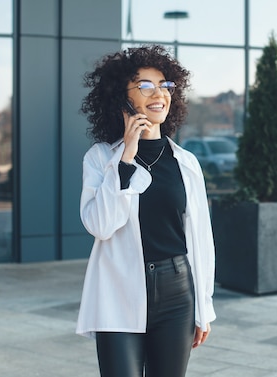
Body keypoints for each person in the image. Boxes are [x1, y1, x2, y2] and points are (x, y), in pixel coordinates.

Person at [75, 44, 216, 377]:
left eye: (165, 85)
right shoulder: (100, 159)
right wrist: (125, 159)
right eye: (145, 85)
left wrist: (204, 307)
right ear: (122, 99)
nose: (159, 94)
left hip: (177, 292)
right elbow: (100, 226)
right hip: (119, 289)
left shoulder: (186, 163)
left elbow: (202, 240)